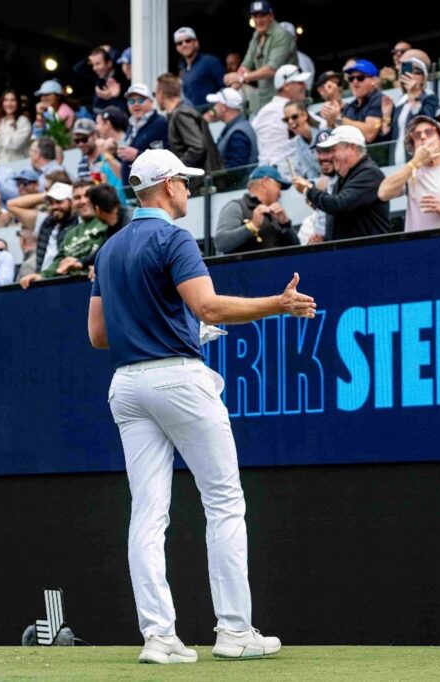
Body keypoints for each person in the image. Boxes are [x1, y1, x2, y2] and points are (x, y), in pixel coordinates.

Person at [88, 148, 305, 664]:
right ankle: (235, 632)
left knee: (147, 512)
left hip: (127, 386)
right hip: (178, 382)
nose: (188, 189)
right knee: (224, 501)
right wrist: (278, 304)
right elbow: (207, 305)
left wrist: (183, 332)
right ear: (166, 187)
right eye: (183, 183)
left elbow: (99, 335)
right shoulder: (174, 236)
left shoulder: (109, 249)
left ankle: (159, 638)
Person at [292, 126, 391, 241]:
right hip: (353, 253)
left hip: (371, 253)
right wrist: (326, 240)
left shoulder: (369, 173)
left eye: (334, 150)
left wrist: (307, 190)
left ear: (352, 148)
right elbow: (338, 216)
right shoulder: (345, 178)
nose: (330, 156)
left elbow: (338, 205)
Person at [19, 181, 108, 286]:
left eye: (87, 195)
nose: (83, 201)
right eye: (77, 197)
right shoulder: (71, 232)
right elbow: (59, 260)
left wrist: (93, 265)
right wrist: (42, 276)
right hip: (73, 286)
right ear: (73, 202)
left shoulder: (107, 222)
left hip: (101, 283)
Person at [227, 1, 298, 116]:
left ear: (271, 16)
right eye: (255, 16)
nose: (259, 20)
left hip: (287, 99)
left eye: (263, 15)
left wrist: (241, 78)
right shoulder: (256, 35)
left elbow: (271, 69)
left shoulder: (281, 34)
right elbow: (246, 63)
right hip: (266, 99)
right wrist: (233, 84)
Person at [215, 165, 298, 253]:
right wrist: (252, 226)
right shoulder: (236, 207)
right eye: (278, 187)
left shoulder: (276, 214)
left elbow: (297, 250)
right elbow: (221, 243)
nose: (280, 194)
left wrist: (285, 223)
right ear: (265, 182)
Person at [157, 74, 223, 174]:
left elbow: (197, 147)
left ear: (161, 94)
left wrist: (175, 169)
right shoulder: (180, 112)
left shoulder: (181, 114)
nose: (155, 98)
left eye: (155, 93)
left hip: (201, 182)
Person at [383, 50, 439, 165]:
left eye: (417, 72)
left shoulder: (430, 98)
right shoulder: (401, 102)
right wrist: (386, 116)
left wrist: (415, 95)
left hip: (419, 159)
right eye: (409, 72)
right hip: (396, 159)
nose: (412, 76)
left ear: (424, 78)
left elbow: (424, 121)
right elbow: (391, 136)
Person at [7, 182, 77, 274]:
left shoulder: (80, 221)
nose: (55, 206)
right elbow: (11, 205)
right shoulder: (46, 222)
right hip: (44, 279)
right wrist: (47, 194)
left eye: (59, 202)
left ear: (72, 202)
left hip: (66, 278)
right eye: (51, 202)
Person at [251, 65, 311, 167]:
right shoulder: (295, 111)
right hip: (291, 175)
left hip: (266, 173)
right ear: (286, 86)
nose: (305, 86)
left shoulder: (262, 112)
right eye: (300, 83)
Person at [323, 60, 388, 144]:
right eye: (351, 78)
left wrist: (338, 118)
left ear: (374, 81)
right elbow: (337, 136)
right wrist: (331, 120)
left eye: (360, 78)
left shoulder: (380, 99)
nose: (355, 82)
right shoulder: (351, 106)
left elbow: (369, 135)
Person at [120, 84, 170, 185]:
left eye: (141, 100)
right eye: (131, 101)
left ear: (151, 102)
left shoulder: (161, 123)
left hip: (153, 187)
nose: (136, 104)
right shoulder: (131, 125)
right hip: (133, 188)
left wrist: (137, 155)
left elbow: (168, 156)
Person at [297, 133, 337, 244]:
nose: (323, 157)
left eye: (328, 151)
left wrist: (307, 190)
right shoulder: (311, 221)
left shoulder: (349, 179)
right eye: (319, 152)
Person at [175, 27, 226, 110]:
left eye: (188, 40)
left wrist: (214, 112)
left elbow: (226, 90)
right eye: (179, 43)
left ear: (196, 43)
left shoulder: (210, 61)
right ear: (177, 48)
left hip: (213, 117)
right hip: (192, 118)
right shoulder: (182, 69)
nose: (184, 44)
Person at [208, 88, 258, 170]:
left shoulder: (238, 133)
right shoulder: (236, 127)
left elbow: (235, 170)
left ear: (224, 107)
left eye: (216, 104)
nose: (213, 107)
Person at [0, 90, 32, 164]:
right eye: (6, 100)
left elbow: (14, 145)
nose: (9, 104)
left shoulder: (24, 122)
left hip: (19, 164)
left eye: (12, 100)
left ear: (18, 103)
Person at [282, 100, 320, 180]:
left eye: (294, 117)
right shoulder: (298, 143)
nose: (290, 121)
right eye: (286, 120)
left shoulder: (322, 132)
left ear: (304, 115)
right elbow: (311, 172)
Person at [88, 47, 129, 112]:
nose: (94, 68)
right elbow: (77, 69)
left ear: (109, 63)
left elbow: (125, 109)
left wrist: (113, 97)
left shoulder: (123, 78)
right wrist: (90, 57)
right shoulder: (98, 78)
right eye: (93, 64)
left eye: (98, 64)